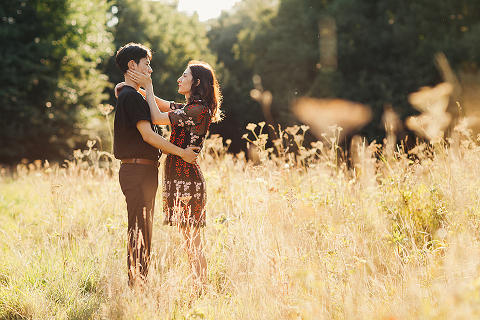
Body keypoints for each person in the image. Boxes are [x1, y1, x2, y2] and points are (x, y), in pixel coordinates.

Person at [119, 59, 222, 296]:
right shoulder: (188, 107)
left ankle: (202, 291)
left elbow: (155, 117)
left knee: (192, 241)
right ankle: (200, 289)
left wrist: (148, 85)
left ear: (196, 82)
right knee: (188, 240)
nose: (179, 79)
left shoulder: (197, 110)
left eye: (184, 75)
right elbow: (160, 103)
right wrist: (134, 87)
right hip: (178, 177)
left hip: (187, 179)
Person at [113, 43, 200, 288]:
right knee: (140, 229)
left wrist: (144, 92)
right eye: (146, 64)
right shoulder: (131, 97)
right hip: (138, 170)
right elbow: (149, 136)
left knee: (142, 228)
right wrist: (182, 152)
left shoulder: (131, 96)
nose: (150, 70)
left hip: (140, 171)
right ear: (133, 65)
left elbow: (164, 109)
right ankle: (138, 286)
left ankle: (139, 283)